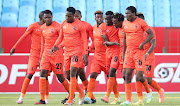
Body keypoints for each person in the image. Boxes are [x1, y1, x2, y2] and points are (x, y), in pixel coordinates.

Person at [50, 7, 88, 105]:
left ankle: (71, 99)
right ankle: (81, 91)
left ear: (74, 16)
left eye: (69, 16)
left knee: (73, 72)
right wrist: (55, 46)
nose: (67, 17)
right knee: (67, 75)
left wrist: (85, 54)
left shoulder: (80, 25)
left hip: (77, 51)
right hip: (67, 52)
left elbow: (84, 41)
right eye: (66, 15)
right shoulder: (63, 23)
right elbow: (60, 37)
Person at [10, 11, 48, 104]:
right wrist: (14, 47)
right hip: (34, 55)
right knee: (30, 74)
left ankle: (45, 99)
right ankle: (21, 97)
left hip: (45, 55)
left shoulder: (48, 28)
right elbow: (23, 36)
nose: (47, 19)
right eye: (45, 18)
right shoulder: (33, 26)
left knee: (44, 76)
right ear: (41, 18)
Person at [120, 6, 154, 105]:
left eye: (128, 13)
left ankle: (148, 91)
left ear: (134, 14)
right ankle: (128, 100)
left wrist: (143, 43)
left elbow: (151, 34)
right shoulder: (125, 23)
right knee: (127, 75)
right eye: (125, 13)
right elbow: (125, 38)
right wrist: (123, 53)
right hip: (128, 52)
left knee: (139, 76)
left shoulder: (141, 22)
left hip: (138, 52)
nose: (126, 15)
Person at [34, 10, 69, 104]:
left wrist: (58, 47)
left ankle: (71, 93)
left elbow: (64, 39)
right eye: (45, 18)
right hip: (46, 54)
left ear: (52, 16)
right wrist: (41, 56)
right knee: (42, 74)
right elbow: (42, 43)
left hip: (57, 55)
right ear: (43, 18)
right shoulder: (42, 28)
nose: (47, 19)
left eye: (49, 17)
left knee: (60, 77)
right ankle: (43, 99)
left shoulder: (58, 26)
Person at [133, 12, 164, 105]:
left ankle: (160, 91)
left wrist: (147, 53)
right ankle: (140, 100)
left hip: (149, 57)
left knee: (148, 79)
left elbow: (153, 44)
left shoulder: (150, 30)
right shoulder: (136, 31)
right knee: (138, 78)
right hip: (138, 56)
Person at [83, 10, 107, 104]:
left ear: (103, 18)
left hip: (106, 57)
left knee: (110, 76)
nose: (99, 19)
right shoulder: (94, 28)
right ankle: (89, 97)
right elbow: (94, 41)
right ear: (95, 18)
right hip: (97, 57)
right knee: (92, 75)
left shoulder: (106, 27)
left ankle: (117, 96)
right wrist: (89, 49)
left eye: (101, 17)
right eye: (98, 17)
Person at [100, 11, 121, 104]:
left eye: (109, 19)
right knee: (110, 75)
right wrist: (114, 43)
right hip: (108, 53)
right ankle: (117, 97)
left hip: (117, 52)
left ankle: (107, 96)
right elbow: (106, 42)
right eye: (105, 19)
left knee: (112, 71)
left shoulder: (118, 26)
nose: (107, 21)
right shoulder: (102, 27)